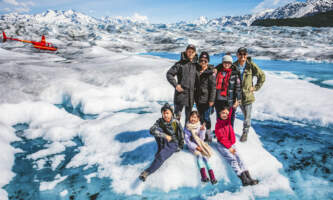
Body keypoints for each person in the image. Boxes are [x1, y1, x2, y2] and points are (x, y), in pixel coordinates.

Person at [215, 105, 259, 186]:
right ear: (219, 113)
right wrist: (229, 147)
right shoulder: (218, 124)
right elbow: (221, 138)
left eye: (226, 114)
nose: (225, 115)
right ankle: (243, 179)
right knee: (233, 160)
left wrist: (233, 107)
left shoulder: (227, 121)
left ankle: (249, 177)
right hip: (222, 145)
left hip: (230, 145)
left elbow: (231, 114)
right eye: (223, 113)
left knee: (239, 158)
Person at [139, 103, 184, 182]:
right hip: (164, 140)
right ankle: (161, 148)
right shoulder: (160, 121)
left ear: (171, 113)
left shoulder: (175, 122)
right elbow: (152, 130)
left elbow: (181, 135)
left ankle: (147, 172)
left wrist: (179, 147)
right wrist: (165, 136)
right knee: (157, 130)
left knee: (161, 156)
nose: (165, 115)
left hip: (173, 143)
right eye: (163, 113)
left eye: (167, 113)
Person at [234, 47, 265, 142]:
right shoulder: (234, 65)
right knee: (230, 114)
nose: (242, 56)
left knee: (247, 116)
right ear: (237, 55)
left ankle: (245, 133)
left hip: (247, 96)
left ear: (246, 55)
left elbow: (262, 76)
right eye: (240, 54)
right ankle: (228, 130)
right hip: (236, 96)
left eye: (244, 54)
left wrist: (255, 87)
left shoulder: (250, 65)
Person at [167, 44, 198, 123]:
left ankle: (186, 134)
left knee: (189, 118)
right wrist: (176, 85)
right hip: (180, 95)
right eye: (189, 51)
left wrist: (214, 69)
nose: (190, 53)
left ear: (195, 53)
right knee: (177, 117)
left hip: (191, 96)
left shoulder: (196, 65)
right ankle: (175, 134)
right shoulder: (179, 64)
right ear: (186, 52)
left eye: (192, 52)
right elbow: (169, 74)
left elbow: (205, 68)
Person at [184, 111, 217, 184]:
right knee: (199, 156)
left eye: (195, 117)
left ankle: (212, 177)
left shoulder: (200, 126)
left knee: (205, 158)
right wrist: (196, 147)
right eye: (192, 117)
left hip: (201, 144)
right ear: (189, 117)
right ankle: (204, 176)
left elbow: (201, 139)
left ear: (198, 119)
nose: (193, 119)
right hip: (193, 146)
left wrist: (202, 131)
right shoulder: (187, 127)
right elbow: (187, 141)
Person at [214, 54, 241, 127]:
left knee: (230, 118)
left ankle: (229, 133)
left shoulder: (235, 74)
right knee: (219, 118)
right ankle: (219, 133)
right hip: (219, 100)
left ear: (231, 64)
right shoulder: (217, 72)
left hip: (230, 100)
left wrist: (238, 100)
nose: (226, 64)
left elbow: (238, 88)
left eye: (229, 63)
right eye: (225, 62)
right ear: (222, 63)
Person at [195, 52, 216, 142]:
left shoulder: (210, 73)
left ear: (208, 62)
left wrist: (211, 100)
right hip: (198, 99)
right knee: (201, 117)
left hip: (207, 100)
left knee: (206, 117)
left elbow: (213, 88)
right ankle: (202, 133)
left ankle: (208, 134)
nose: (203, 62)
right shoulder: (197, 71)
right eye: (201, 60)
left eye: (205, 61)